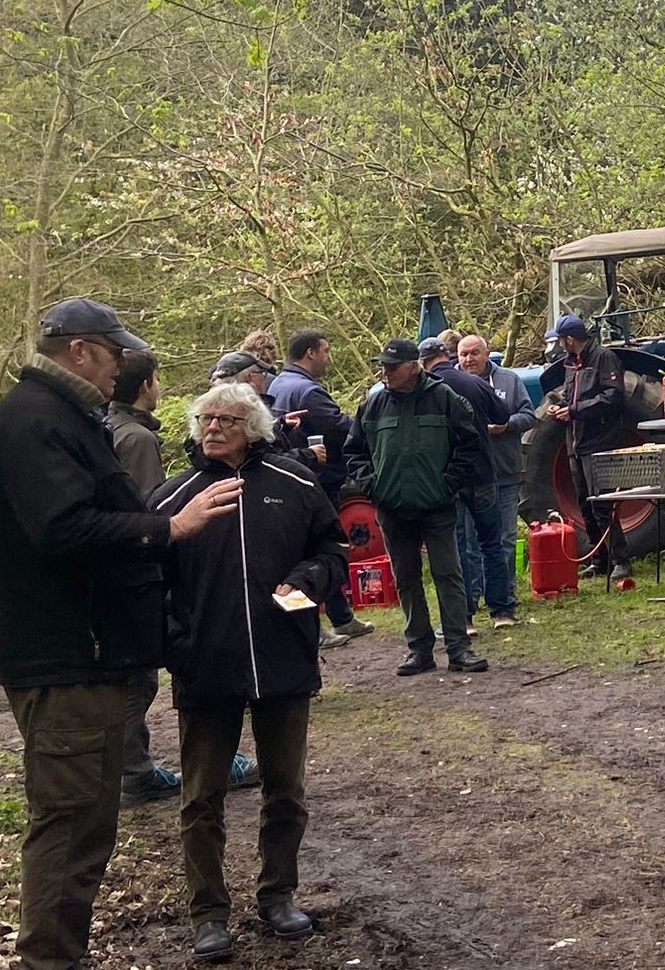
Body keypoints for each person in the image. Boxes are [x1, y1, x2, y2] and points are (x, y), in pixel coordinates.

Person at [0, 297, 240, 970]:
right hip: (67, 658)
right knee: (70, 831)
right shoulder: (35, 419)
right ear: (80, 351)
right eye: (115, 353)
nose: (121, 367)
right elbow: (63, 529)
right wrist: (168, 528)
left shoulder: (63, 415)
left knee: (85, 829)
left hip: (86, 655)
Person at [152, 381, 347, 963]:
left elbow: (334, 551)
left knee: (285, 789)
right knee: (200, 797)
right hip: (205, 666)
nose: (212, 428)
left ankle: (278, 895)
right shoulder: (172, 497)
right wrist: (176, 644)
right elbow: (145, 580)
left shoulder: (295, 482)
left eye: (227, 420)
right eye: (205, 419)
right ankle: (208, 914)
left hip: (283, 658)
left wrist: (308, 580)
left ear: (254, 428)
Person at [344, 338, 489, 675]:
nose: (386, 372)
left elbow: (470, 444)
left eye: (392, 367)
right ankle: (418, 650)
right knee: (406, 578)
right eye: (383, 366)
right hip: (392, 507)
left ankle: (459, 648)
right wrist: (373, 486)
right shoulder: (373, 404)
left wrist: (448, 483)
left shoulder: (444, 398)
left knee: (448, 575)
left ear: (413, 367)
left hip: (436, 505)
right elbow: (353, 451)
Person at [101, 350, 185, 803]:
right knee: (140, 677)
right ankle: (133, 772)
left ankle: (128, 767)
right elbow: (147, 507)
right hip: (134, 570)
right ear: (146, 385)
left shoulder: (107, 426)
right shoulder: (136, 439)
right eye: (157, 378)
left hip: (112, 567)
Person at [267, 328, 373, 649]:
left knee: (316, 550)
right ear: (311, 352)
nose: (329, 357)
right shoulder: (308, 391)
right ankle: (312, 626)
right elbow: (339, 428)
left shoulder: (278, 384)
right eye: (326, 351)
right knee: (319, 551)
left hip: (292, 478)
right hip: (317, 479)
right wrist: (366, 424)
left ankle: (341, 616)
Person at [419, 337, 512, 633]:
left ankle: (464, 617)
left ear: (422, 362)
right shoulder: (474, 382)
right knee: (491, 543)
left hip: (447, 478)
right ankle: (501, 612)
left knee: (456, 547)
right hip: (482, 473)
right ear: (448, 355)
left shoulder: (422, 390)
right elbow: (503, 415)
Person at [545, 315, 636, 587]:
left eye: (560, 340)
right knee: (584, 503)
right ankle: (599, 558)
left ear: (569, 339)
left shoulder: (604, 358)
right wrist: (560, 407)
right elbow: (572, 396)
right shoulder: (570, 363)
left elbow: (612, 397)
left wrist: (574, 411)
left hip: (599, 441)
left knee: (603, 504)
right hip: (575, 443)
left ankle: (621, 560)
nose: (560, 344)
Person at [458, 334, 538, 626]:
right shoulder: (452, 384)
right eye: (464, 354)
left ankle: (504, 595)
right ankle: (472, 595)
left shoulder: (509, 380)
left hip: (505, 472)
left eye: (474, 353)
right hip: (469, 476)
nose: (469, 359)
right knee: (468, 542)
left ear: (486, 353)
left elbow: (529, 415)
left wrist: (507, 425)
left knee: (503, 538)